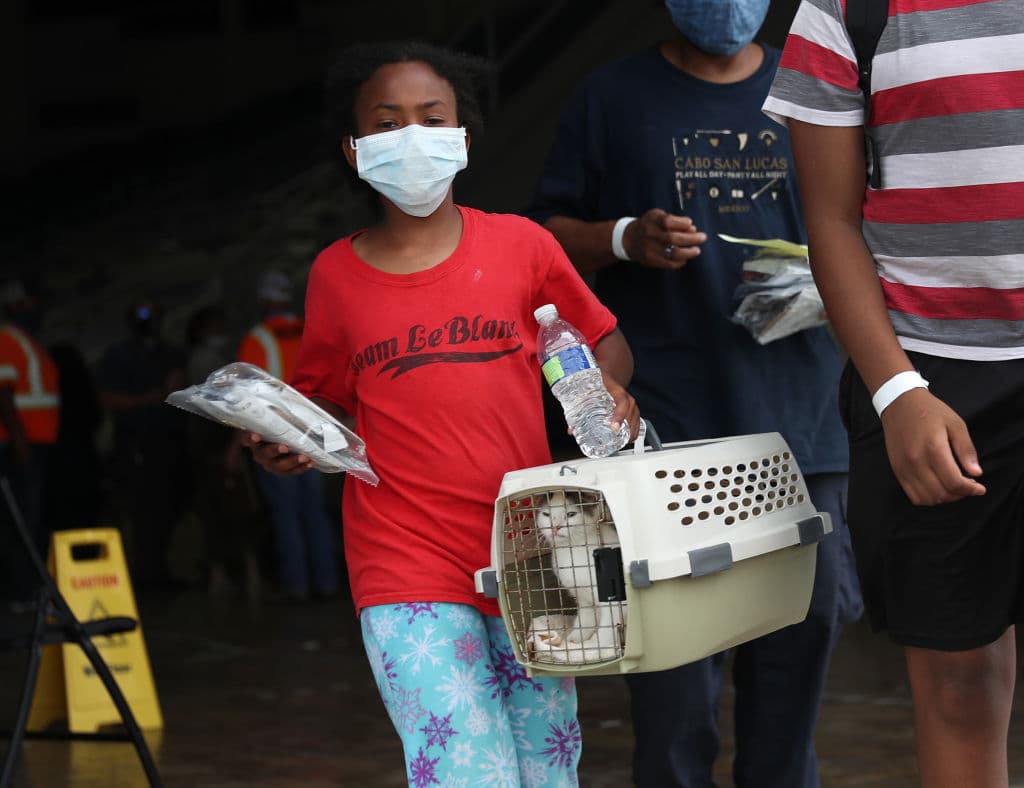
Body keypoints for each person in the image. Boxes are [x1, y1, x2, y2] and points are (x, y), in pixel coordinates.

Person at [244, 40, 641, 787]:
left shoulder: (524, 246)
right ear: (354, 149)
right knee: (465, 772)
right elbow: (324, 398)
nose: (411, 136)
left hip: (533, 550)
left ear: (462, 136)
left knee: (548, 769)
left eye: (431, 118)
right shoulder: (335, 273)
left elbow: (603, 341)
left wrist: (609, 390)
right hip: (402, 559)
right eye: (387, 122)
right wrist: (287, 437)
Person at [526, 2, 863, 786]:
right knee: (675, 684)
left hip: (804, 426)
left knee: (800, 649)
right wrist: (623, 238)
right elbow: (541, 236)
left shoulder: (820, 77)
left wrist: (831, 277)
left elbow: (871, 215)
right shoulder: (612, 96)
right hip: (669, 434)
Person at [764, 2, 1024, 785]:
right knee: (955, 683)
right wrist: (897, 390)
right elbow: (833, 221)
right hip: (933, 385)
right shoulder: (847, 12)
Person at [238, 270, 339, 602]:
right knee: (316, 512)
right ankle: (327, 583)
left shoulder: (258, 338)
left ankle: (296, 587)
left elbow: (246, 399)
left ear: (264, 300)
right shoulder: (310, 330)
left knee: (286, 515)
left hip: (275, 439)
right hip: (317, 434)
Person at [95, 298, 189, 590]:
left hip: (169, 442)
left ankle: (158, 569)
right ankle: (141, 573)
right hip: (135, 443)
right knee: (139, 508)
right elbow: (106, 398)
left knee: (167, 506)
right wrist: (149, 398)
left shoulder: (171, 354)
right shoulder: (118, 355)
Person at [185, 304, 264, 600]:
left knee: (241, 510)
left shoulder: (223, 360)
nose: (220, 332)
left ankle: (249, 574)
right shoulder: (202, 359)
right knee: (214, 511)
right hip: (208, 446)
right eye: (215, 326)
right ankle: (223, 576)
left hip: (227, 443)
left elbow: (236, 404)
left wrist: (234, 445)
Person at [0, 278, 60, 608]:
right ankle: (19, 592)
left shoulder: (26, 340)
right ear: (16, 305)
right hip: (19, 445)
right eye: (31, 301)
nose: (37, 308)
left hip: (35, 442)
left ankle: (28, 588)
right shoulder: (7, 339)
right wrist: (20, 441)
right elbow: (4, 394)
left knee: (30, 517)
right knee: (19, 520)